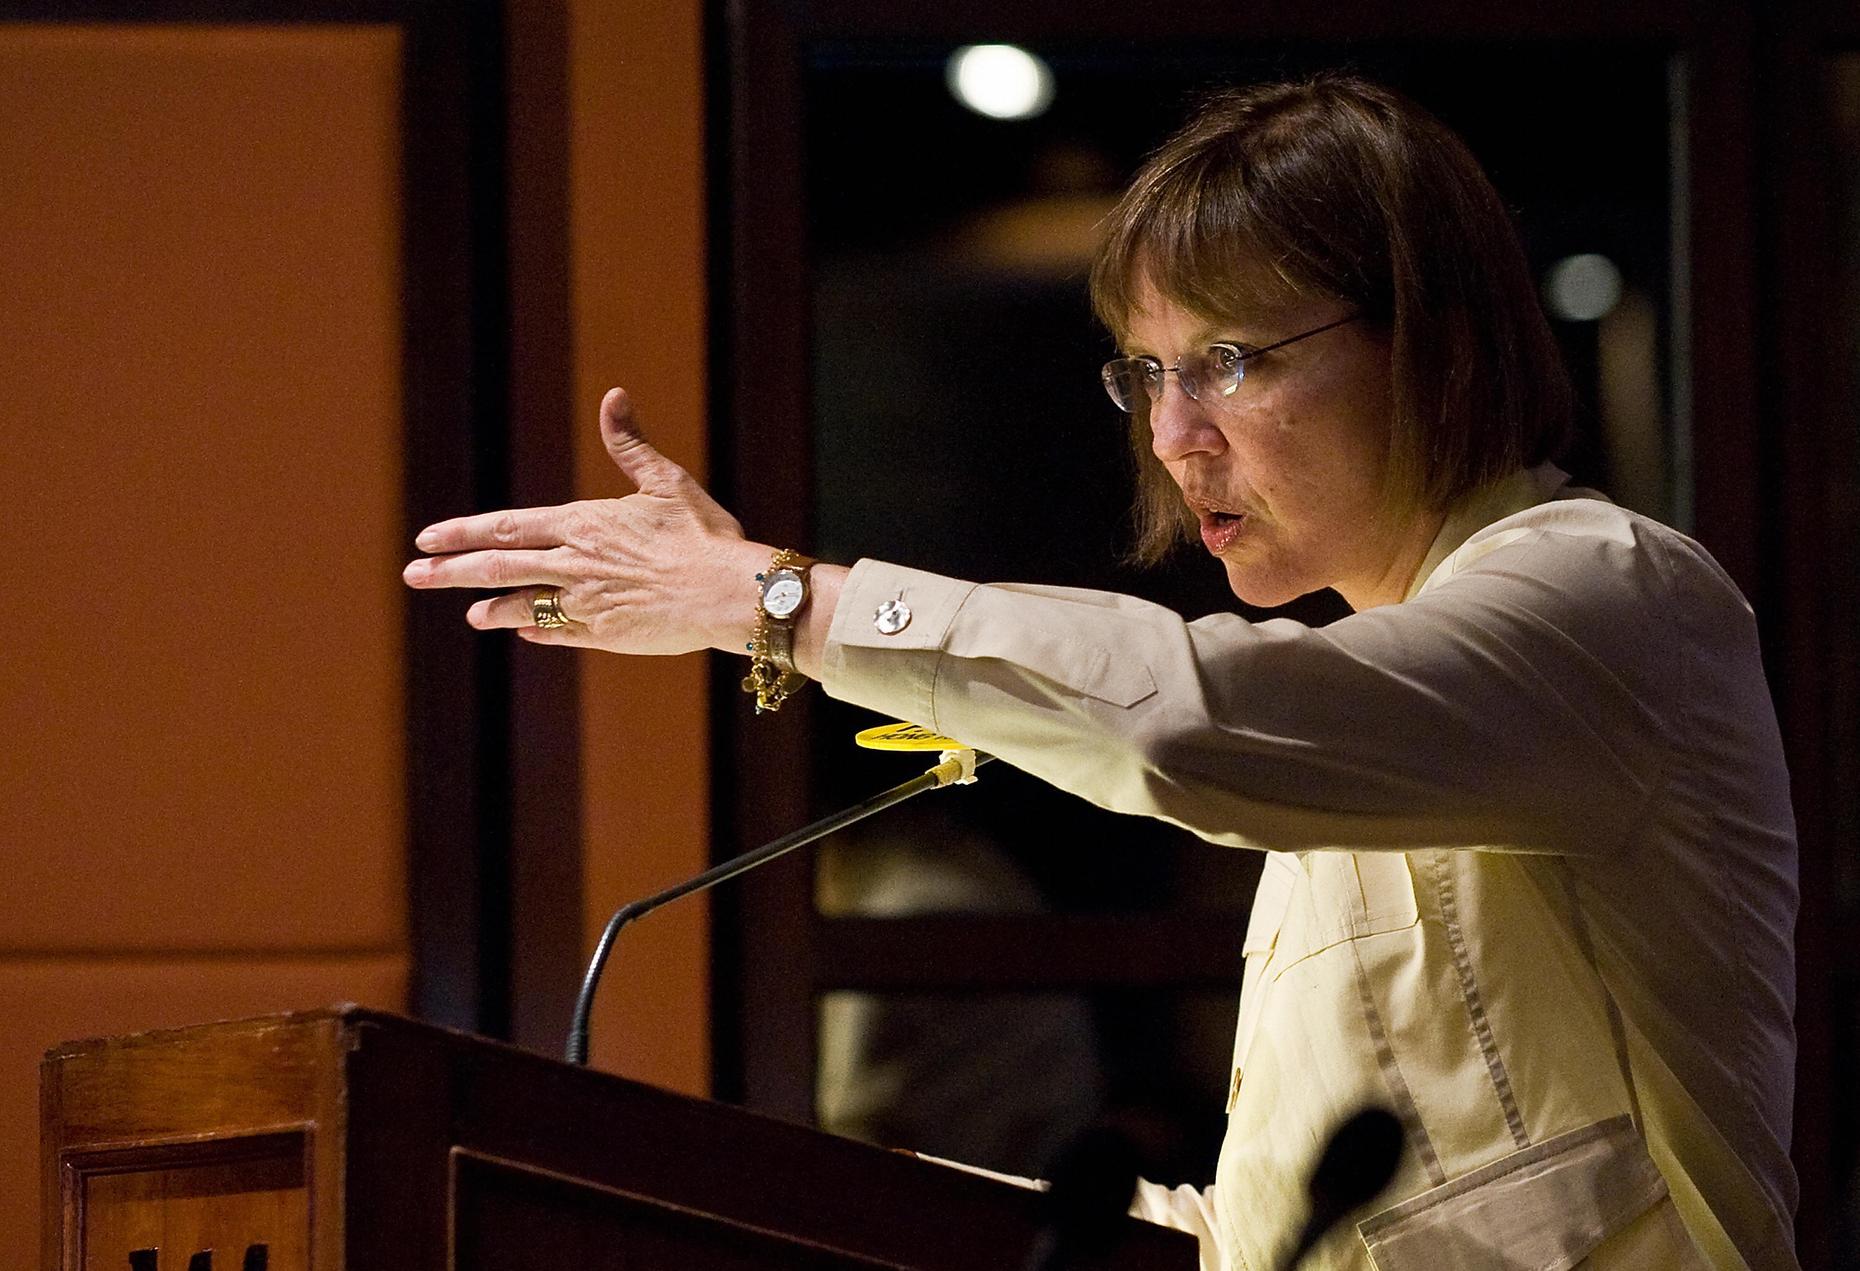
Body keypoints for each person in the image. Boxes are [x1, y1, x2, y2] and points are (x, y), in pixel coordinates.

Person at [402, 74, 1798, 1271]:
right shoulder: (1373, 715)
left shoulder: (1613, 597)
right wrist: (807, 1209)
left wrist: (780, 602)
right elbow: (1285, 1237)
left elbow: (1191, 724)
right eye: (1146, 374)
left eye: (1232, 361)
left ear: (1426, 344)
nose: (1177, 433)